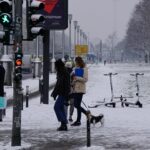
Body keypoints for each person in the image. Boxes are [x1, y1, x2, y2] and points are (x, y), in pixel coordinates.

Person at [51, 59, 70, 131]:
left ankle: (64, 123)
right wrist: (54, 93)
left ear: (58, 66)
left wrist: (66, 95)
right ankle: (63, 125)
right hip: (61, 93)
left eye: (56, 66)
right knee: (61, 108)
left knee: (56, 107)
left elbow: (66, 85)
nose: (55, 67)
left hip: (63, 94)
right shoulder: (60, 72)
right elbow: (58, 84)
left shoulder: (64, 73)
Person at [71, 56, 88, 126]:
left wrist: (77, 77)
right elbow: (74, 79)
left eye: (76, 62)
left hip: (81, 89)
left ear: (79, 62)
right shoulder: (76, 69)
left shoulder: (84, 68)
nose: (76, 63)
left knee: (76, 105)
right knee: (77, 105)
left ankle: (87, 114)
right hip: (75, 89)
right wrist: (73, 81)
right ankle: (78, 121)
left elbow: (85, 79)